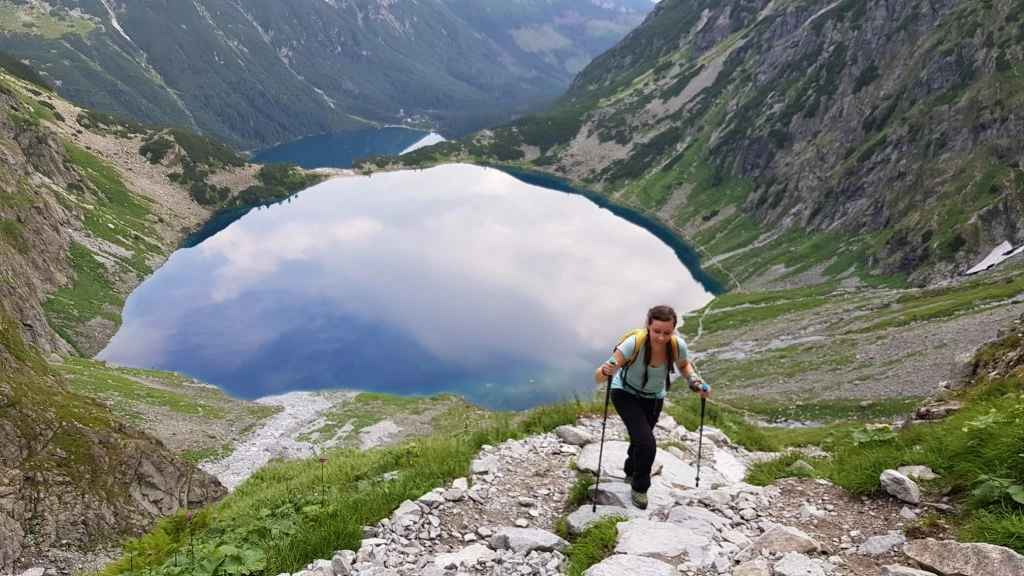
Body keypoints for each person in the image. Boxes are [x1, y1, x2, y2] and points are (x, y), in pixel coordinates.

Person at [593, 305, 710, 509]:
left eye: (667, 332)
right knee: (647, 443)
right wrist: (606, 369)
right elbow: (599, 377)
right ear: (648, 326)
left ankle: (630, 470)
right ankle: (640, 487)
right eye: (656, 331)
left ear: (673, 330)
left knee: (640, 438)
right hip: (625, 393)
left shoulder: (676, 345)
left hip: (654, 398)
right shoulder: (634, 343)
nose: (661, 337)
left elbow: (683, 365)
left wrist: (695, 381)